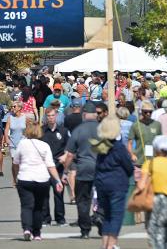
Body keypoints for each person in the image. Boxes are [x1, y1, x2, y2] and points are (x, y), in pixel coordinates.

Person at [12, 120, 64, 241]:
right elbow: (50, 165)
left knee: (26, 205)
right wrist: (57, 180)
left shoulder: (22, 144)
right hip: (42, 179)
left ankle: (26, 229)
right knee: (38, 207)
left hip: (25, 177)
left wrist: (15, 177)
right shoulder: (44, 146)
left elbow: (15, 163)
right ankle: (37, 233)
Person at [93, 117, 134, 249]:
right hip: (117, 183)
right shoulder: (119, 148)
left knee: (106, 215)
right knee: (117, 215)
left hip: (101, 183)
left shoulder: (101, 146)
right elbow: (129, 167)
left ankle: (105, 244)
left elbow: (97, 165)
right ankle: (111, 244)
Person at [62, 102, 100, 239]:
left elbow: (70, 154)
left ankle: (85, 230)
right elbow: (108, 149)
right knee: (101, 197)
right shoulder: (102, 129)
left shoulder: (78, 130)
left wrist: (65, 170)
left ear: (84, 115)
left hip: (83, 168)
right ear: (96, 115)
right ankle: (100, 219)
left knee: (83, 200)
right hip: (100, 169)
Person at [41, 108, 69, 225]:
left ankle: (60, 218)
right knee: (44, 195)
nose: (51, 118)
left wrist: (65, 158)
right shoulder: (41, 131)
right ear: (46, 117)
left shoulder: (63, 131)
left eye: (52, 115)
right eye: (48, 116)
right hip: (45, 167)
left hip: (59, 167)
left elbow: (69, 148)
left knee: (59, 194)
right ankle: (45, 219)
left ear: (56, 116)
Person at [128, 101, 163, 170]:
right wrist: (132, 155)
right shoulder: (135, 125)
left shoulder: (157, 125)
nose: (148, 114)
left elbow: (160, 142)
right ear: (142, 111)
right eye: (146, 112)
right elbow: (129, 143)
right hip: (139, 161)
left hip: (154, 161)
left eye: (150, 112)